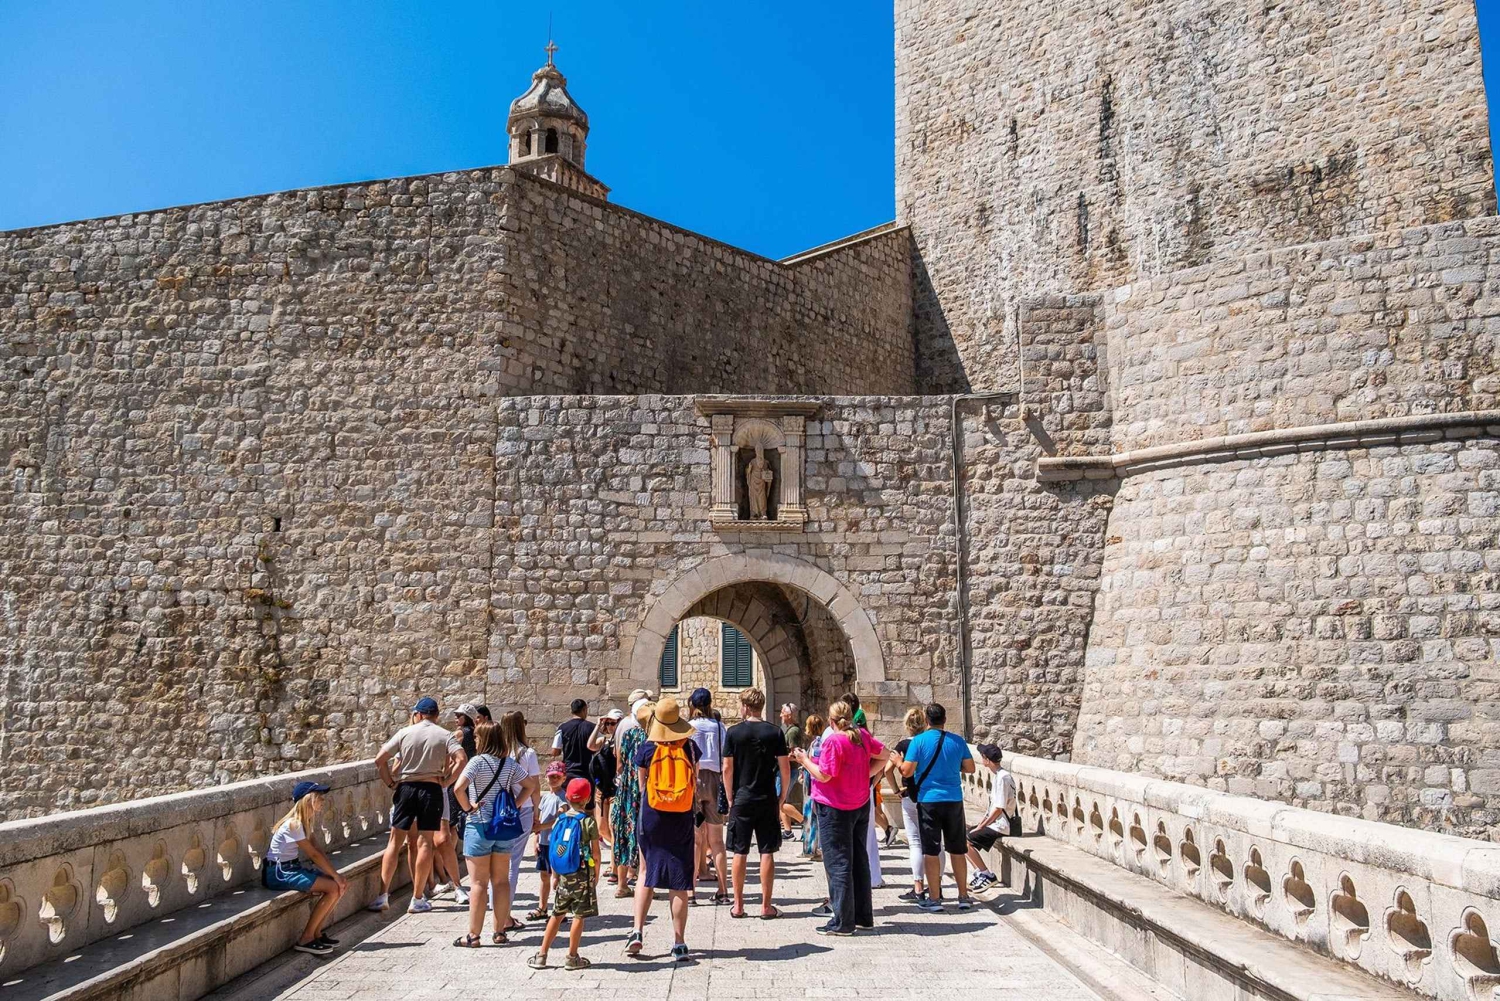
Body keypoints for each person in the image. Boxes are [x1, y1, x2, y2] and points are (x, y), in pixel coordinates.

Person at [793, 699, 891, 936]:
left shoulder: (834, 741)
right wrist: (864, 775)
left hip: (835, 807)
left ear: (832, 720)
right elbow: (886, 754)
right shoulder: (862, 736)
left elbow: (825, 775)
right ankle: (863, 916)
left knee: (838, 863)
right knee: (859, 859)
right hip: (858, 803)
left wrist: (804, 760)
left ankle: (843, 921)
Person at [370, 697, 463, 914]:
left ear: (418, 714)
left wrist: (391, 782)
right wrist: (448, 781)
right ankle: (417, 897)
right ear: (436, 715)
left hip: (406, 788)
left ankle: (382, 895)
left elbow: (379, 760)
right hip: (431, 789)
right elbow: (461, 758)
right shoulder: (444, 734)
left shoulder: (405, 733)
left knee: (395, 841)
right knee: (424, 843)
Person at [626, 696, 699, 961]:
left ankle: (637, 932)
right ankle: (679, 943)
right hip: (681, 815)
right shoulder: (690, 748)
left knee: (646, 871)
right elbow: (695, 780)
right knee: (679, 879)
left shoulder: (647, 748)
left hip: (652, 815)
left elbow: (641, 785)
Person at [452, 721, 534, 947]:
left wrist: (469, 808)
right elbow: (530, 785)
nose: (475, 741)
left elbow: (458, 788)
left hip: (479, 825)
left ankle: (473, 935)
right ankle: (499, 932)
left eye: (477, 738)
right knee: (500, 881)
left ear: (484, 740)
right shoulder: (509, 764)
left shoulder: (477, 762)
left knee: (478, 883)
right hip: (503, 826)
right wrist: (516, 804)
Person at [899, 702, 976, 912]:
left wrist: (898, 761)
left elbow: (906, 771)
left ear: (926, 720)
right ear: (945, 719)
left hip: (929, 800)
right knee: (957, 850)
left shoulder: (919, 741)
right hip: (953, 799)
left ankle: (934, 898)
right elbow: (970, 768)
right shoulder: (958, 741)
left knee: (931, 851)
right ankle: (963, 895)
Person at [722, 687, 789, 919]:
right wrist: (783, 795)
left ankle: (738, 905)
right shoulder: (775, 732)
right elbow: (784, 766)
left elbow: (727, 768)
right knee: (766, 851)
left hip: (741, 797)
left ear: (746, 707)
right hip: (766, 797)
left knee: (739, 851)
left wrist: (730, 795)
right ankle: (766, 906)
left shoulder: (733, 733)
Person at [263, 781, 347, 955]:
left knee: (338, 885)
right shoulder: (293, 824)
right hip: (278, 872)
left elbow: (318, 851)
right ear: (308, 800)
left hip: (291, 868)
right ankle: (306, 938)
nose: (323, 801)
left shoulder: (304, 822)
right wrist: (335, 877)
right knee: (333, 887)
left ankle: (316, 933)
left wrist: (335, 875)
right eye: (319, 797)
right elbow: (313, 855)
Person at [528, 778, 602, 970]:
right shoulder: (588, 822)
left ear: (567, 797)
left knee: (557, 913)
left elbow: (555, 847)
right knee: (578, 916)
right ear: (587, 799)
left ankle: (541, 955)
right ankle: (572, 956)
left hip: (562, 875)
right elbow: (596, 853)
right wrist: (595, 874)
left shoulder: (560, 820)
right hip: (582, 875)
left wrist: (554, 875)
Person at [686, 688, 730, 905]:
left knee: (695, 840)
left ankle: (692, 892)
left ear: (693, 705)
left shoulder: (688, 728)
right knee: (717, 841)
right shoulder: (720, 727)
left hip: (693, 781)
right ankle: (723, 891)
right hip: (715, 780)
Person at [500, 710, 541, 931]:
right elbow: (534, 786)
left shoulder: (496, 753)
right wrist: (536, 813)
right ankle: (505, 916)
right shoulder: (527, 754)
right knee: (512, 864)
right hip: (521, 810)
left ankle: (498, 912)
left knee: (497, 864)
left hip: (497, 813)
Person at [839, 691, 884, 888]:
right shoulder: (864, 734)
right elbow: (884, 757)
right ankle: (872, 878)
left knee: (855, 839)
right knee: (868, 836)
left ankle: (859, 881)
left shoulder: (845, 736)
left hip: (848, 794)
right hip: (864, 790)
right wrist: (868, 778)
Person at [610, 697, 652, 897]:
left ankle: (621, 885)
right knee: (645, 834)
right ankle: (646, 883)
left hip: (626, 788)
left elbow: (619, 764)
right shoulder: (651, 738)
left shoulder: (627, 735)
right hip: (644, 789)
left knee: (624, 834)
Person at [964, 744, 1016, 891]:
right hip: (996, 822)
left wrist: (982, 826)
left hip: (1000, 825)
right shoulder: (1000, 775)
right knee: (962, 838)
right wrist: (981, 823)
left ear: (986, 759)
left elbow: (999, 808)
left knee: (966, 841)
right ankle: (980, 873)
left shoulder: (1002, 778)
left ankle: (987, 874)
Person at [891, 706, 930, 901]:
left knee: (915, 843)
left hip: (909, 795)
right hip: (930, 796)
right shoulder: (929, 742)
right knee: (935, 842)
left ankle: (918, 886)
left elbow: (888, 770)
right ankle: (936, 883)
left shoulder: (903, 745)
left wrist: (896, 789)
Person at [529, 761, 567, 922]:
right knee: (544, 876)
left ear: (563, 778)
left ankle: (560, 909)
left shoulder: (563, 797)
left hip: (556, 842)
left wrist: (541, 826)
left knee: (557, 877)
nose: (553, 780)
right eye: (551, 777)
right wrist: (537, 837)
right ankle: (542, 907)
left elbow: (560, 818)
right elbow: (541, 817)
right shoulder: (546, 797)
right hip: (544, 841)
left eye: (557, 777)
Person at [586, 709, 622, 877]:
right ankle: (618, 856)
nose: (609, 726)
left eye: (612, 723)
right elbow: (590, 745)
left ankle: (614, 867)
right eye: (607, 723)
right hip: (601, 789)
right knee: (602, 828)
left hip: (615, 789)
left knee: (614, 828)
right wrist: (598, 725)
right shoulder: (604, 741)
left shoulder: (622, 741)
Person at [552, 699, 596, 802]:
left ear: (572, 711)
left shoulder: (562, 728)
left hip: (568, 772)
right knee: (587, 805)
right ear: (584, 709)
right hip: (586, 772)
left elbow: (555, 751)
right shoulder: (592, 728)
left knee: (567, 803)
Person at [801, 714, 825, 859]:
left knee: (811, 814)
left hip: (813, 782)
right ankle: (812, 848)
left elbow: (814, 763)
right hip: (814, 780)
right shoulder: (818, 742)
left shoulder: (816, 743)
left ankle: (812, 848)